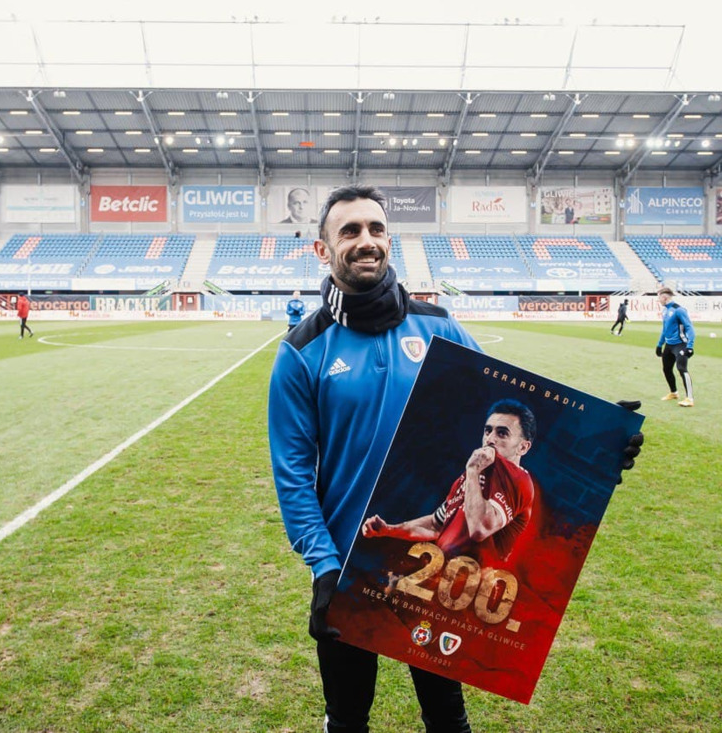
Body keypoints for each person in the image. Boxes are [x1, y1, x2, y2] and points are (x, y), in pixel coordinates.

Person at [269, 184, 644, 732]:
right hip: (349, 567)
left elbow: (511, 405)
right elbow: (293, 478)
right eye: (349, 231)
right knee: (347, 720)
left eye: (376, 229)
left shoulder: (438, 327)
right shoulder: (302, 352)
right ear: (322, 250)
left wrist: (601, 441)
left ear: (389, 240)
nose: (366, 240)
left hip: (441, 571)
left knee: (447, 718)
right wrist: (324, 567)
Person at [360, 399, 536, 565]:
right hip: (442, 576)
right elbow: (435, 524)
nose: (490, 439)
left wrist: (473, 470)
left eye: (502, 433)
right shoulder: (469, 478)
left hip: (478, 581)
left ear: (523, 447)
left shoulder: (518, 479)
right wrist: (389, 530)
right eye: (487, 431)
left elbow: (479, 529)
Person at [655, 286, 695, 407]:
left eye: (659, 298)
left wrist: (690, 346)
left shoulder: (679, 310)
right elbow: (665, 329)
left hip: (680, 345)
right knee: (666, 369)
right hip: (669, 345)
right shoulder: (665, 311)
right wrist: (659, 345)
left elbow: (689, 327)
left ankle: (689, 398)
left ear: (664, 297)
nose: (658, 300)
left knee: (682, 368)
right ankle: (674, 393)